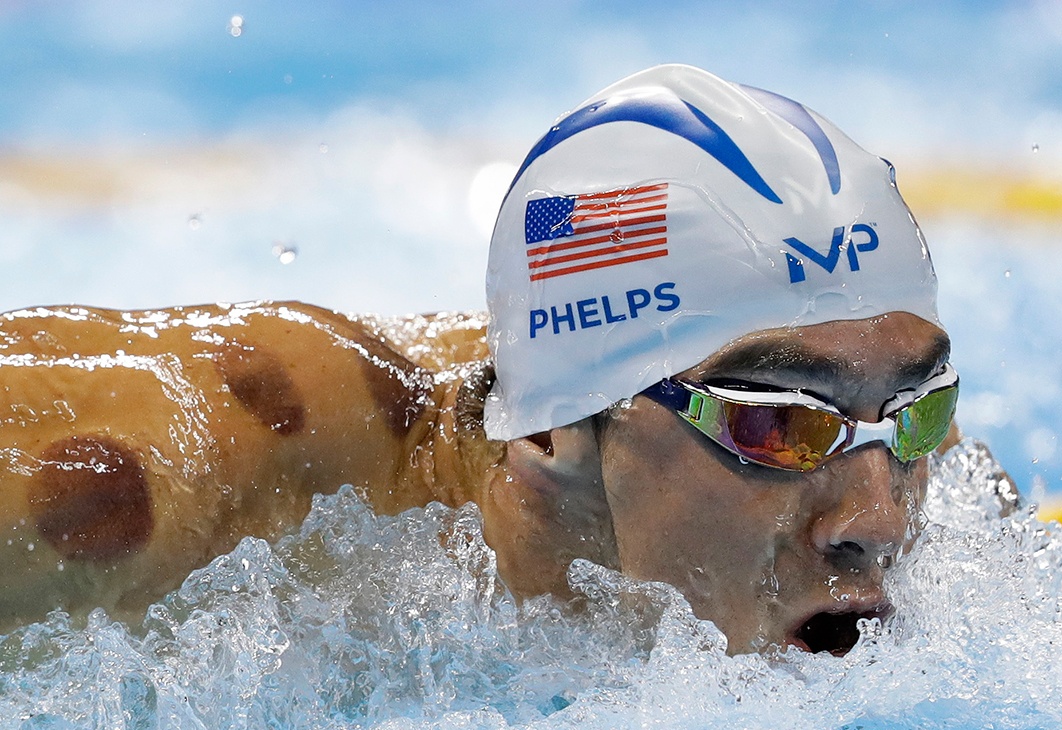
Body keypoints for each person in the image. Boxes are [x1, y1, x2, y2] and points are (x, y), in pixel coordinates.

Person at [0, 65, 958, 656]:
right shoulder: (153, 485)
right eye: (777, 422)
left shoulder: (917, 477)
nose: (879, 521)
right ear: (552, 427)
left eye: (915, 408)